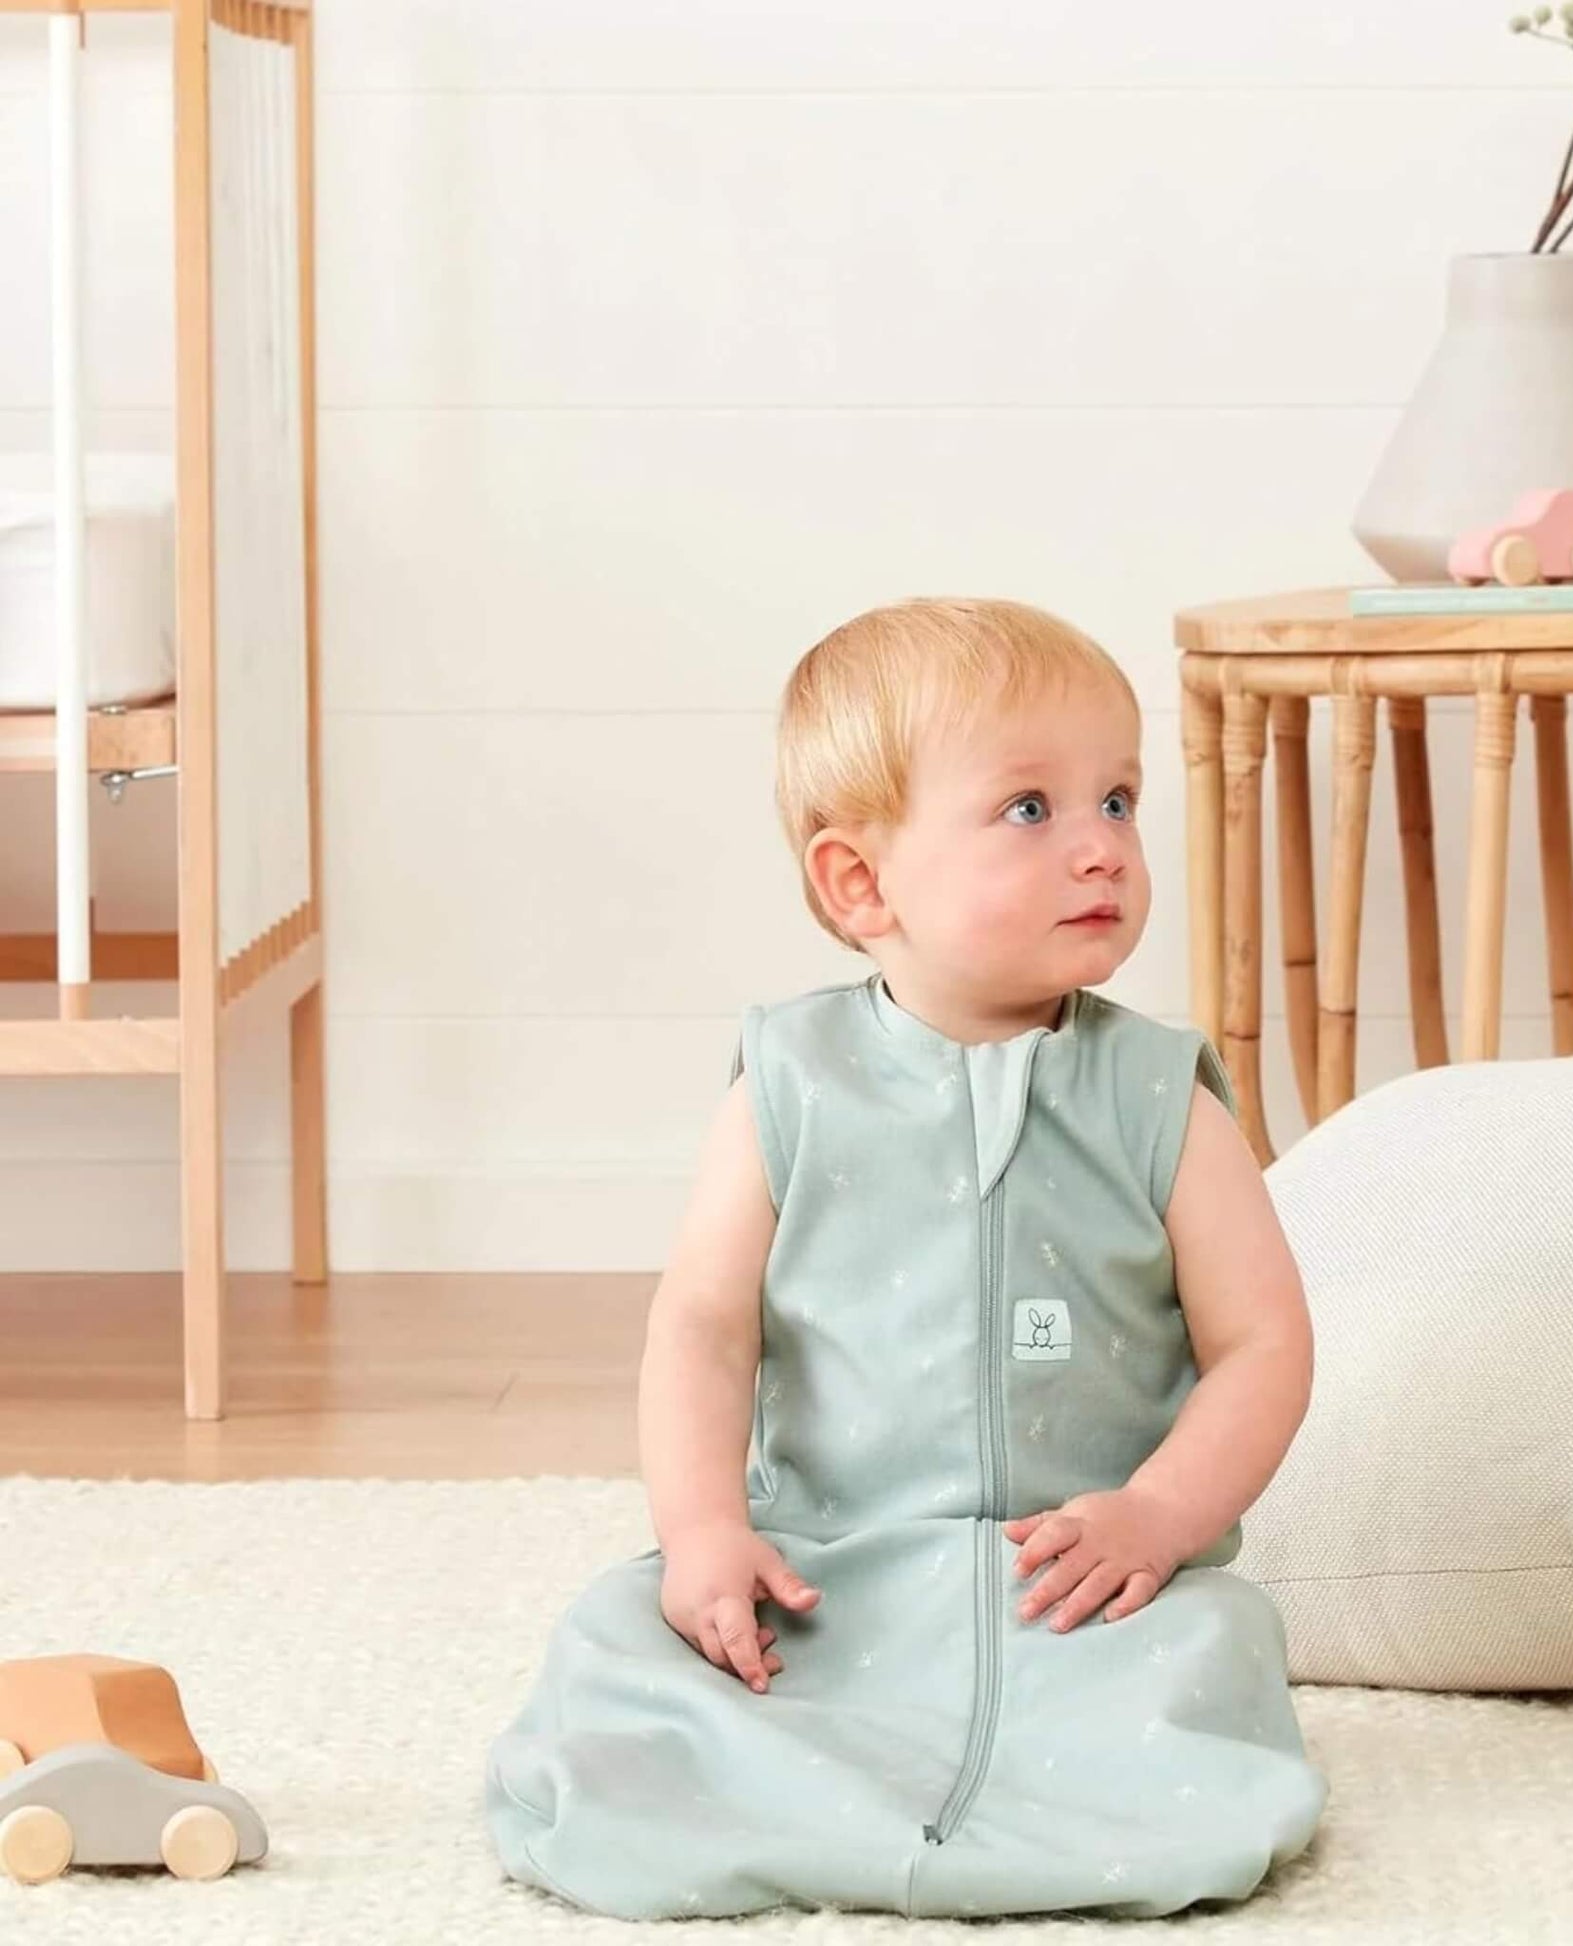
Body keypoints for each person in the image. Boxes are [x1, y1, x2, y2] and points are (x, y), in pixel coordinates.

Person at [485, 597, 1327, 1920]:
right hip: (827, 1571)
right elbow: (701, 1326)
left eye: (1117, 798)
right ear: (859, 883)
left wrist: (1158, 1516)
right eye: (1029, 810)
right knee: (622, 1647)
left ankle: (1059, 1799)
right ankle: (794, 1773)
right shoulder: (790, 1083)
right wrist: (704, 1530)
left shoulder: (1161, 1094)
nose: (1100, 847)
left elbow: (1263, 1341)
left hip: (1079, 1586)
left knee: (1211, 1657)